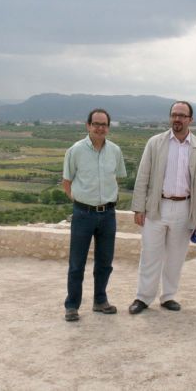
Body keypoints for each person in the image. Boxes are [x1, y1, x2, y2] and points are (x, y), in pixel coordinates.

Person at [128, 101, 196, 314]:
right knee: (150, 254)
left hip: (185, 208)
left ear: (190, 119)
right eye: (174, 114)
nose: (177, 119)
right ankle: (143, 297)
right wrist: (139, 208)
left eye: (182, 115)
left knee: (176, 257)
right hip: (157, 206)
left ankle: (168, 296)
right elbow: (143, 176)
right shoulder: (155, 143)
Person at [62, 109, 127, 322]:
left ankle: (100, 300)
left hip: (108, 214)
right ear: (88, 125)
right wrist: (79, 202)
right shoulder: (75, 150)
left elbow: (117, 177)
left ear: (108, 127)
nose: (100, 128)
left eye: (104, 124)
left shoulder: (115, 151)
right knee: (77, 263)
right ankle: (72, 306)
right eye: (96, 124)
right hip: (83, 213)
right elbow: (67, 182)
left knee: (105, 262)